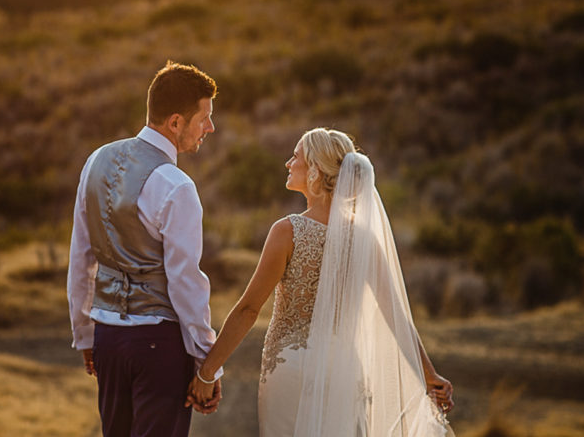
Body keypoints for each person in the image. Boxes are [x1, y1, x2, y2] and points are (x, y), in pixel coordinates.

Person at [187, 128, 455, 436]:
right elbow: (395, 315)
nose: (288, 163)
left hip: (291, 372)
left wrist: (207, 373)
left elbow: (249, 309)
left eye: (296, 157)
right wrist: (430, 374)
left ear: (315, 169)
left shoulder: (287, 231)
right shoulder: (365, 240)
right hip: (344, 376)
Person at [67, 61, 223, 437]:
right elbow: (186, 284)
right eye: (204, 118)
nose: (210, 128)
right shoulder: (176, 186)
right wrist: (206, 365)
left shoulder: (95, 161)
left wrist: (86, 334)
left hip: (108, 340)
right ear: (175, 122)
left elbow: (81, 258)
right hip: (157, 346)